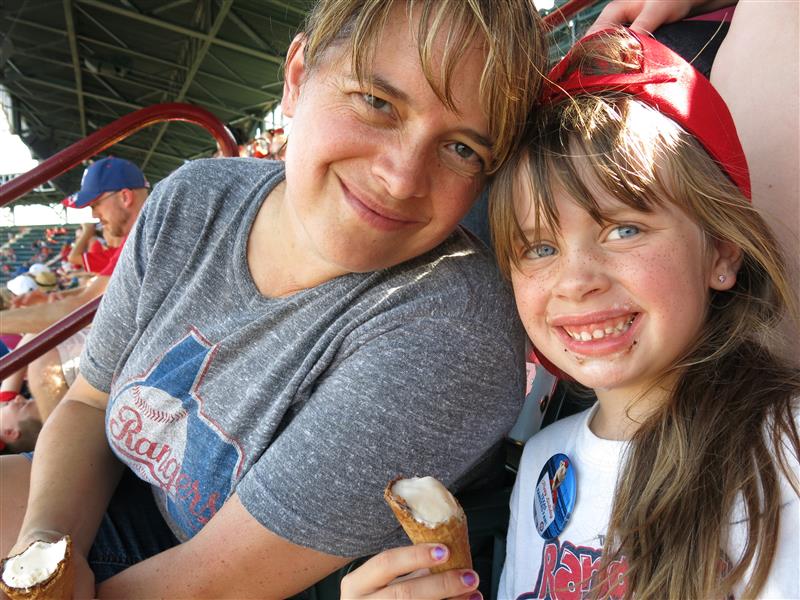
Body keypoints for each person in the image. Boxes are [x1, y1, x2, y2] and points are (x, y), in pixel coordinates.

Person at [0, 1, 547, 598]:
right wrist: (43, 553)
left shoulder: (452, 331)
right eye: (377, 102)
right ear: (297, 76)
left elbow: (211, 583)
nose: (401, 178)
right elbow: (87, 404)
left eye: (463, 149)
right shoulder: (192, 200)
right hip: (140, 510)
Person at [340, 23, 799, 600]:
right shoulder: (542, 459)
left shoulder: (785, 449)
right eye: (539, 248)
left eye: (623, 229)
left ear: (722, 253)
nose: (577, 282)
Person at [0, 156, 149, 422]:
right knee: (40, 342)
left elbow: (80, 307)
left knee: (44, 363)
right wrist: (52, 299)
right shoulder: (138, 233)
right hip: (143, 332)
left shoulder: (143, 232)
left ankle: (60, 445)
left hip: (148, 340)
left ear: (125, 197)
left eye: (96, 204)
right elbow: (88, 296)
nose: (94, 216)